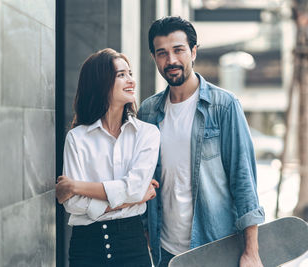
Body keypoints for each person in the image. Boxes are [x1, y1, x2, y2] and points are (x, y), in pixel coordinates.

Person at [138, 16, 265, 267]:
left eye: (178, 50)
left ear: (193, 51)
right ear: (154, 58)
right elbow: (143, 180)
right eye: (162, 53)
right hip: (166, 251)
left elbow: (243, 179)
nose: (171, 60)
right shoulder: (148, 111)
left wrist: (251, 251)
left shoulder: (224, 106)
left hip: (215, 246)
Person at [56, 48, 160, 267]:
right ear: (101, 83)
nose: (131, 80)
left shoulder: (148, 133)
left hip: (132, 244)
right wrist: (134, 198)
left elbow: (135, 188)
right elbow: (73, 205)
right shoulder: (77, 138)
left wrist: (77, 186)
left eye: (130, 73)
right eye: (121, 75)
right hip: (86, 247)